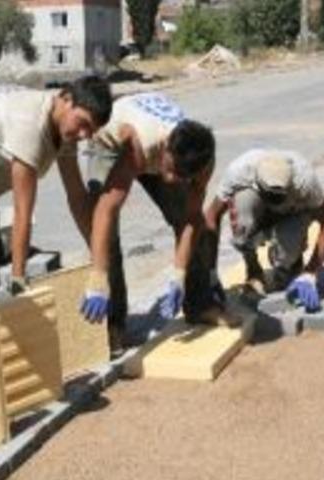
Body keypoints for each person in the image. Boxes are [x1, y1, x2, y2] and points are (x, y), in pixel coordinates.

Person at [0, 76, 113, 308]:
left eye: (91, 130)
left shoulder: (65, 129)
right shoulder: (31, 125)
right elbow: (22, 211)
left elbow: (76, 197)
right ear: (66, 98)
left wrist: (99, 265)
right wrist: (18, 279)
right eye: (83, 123)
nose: (84, 135)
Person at [78, 92, 224, 356]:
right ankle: (114, 324)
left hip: (154, 146)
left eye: (181, 176)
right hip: (112, 146)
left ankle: (200, 303)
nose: (170, 179)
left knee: (191, 221)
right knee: (105, 237)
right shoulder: (139, 141)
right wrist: (98, 276)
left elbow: (191, 220)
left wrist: (179, 274)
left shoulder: (202, 161)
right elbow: (106, 209)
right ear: (167, 147)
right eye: (170, 169)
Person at [203, 149, 324, 312]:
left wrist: (311, 272)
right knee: (242, 210)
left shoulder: (304, 180)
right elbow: (211, 217)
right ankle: (253, 271)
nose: (275, 201)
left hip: (292, 213)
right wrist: (211, 274)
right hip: (258, 210)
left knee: (287, 250)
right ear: (256, 182)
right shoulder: (240, 171)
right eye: (270, 195)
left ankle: (289, 268)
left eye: (279, 196)